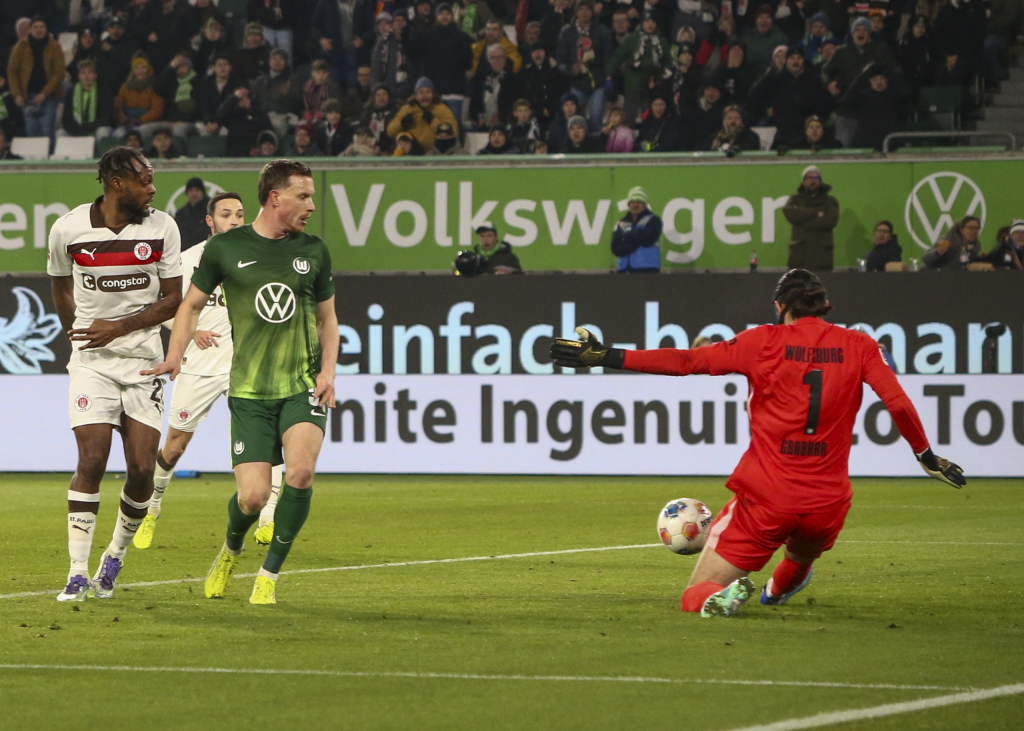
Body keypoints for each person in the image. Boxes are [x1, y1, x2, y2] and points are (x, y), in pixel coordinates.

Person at [549, 269, 966, 618]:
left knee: (694, 595)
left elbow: (687, 362)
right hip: (827, 502)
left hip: (768, 498)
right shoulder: (860, 345)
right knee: (801, 558)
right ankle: (774, 593)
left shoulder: (763, 341)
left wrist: (605, 356)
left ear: (780, 306)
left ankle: (718, 597)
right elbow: (898, 402)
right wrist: (925, 455)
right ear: (823, 305)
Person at [144, 159, 339, 606]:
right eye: (303, 196)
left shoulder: (314, 250)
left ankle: (268, 576)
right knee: (251, 498)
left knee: (301, 473)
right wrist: (175, 354)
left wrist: (328, 370)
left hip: (301, 385)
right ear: (275, 197)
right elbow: (190, 306)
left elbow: (328, 319)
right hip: (250, 392)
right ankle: (231, 549)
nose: (311, 205)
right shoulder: (225, 249)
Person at [47, 147, 184, 602]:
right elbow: (60, 285)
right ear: (117, 183)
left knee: (142, 469)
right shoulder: (68, 228)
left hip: (144, 362)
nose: (153, 188)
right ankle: (76, 572)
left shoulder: (162, 227)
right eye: (145, 181)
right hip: (93, 363)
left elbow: (173, 299)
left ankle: (115, 554)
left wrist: (118, 328)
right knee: (92, 459)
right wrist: (78, 334)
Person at [135, 193, 286, 550]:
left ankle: (268, 516)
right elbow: (166, 309)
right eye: (226, 214)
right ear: (210, 221)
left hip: (244, 367)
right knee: (174, 446)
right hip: (198, 367)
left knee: (268, 438)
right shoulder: (190, 260)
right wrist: (192, 331)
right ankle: (151, 507)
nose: (234, 220)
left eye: (240, 214)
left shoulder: (259, 257)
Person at [823, 17, 898, 148]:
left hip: (874, 110)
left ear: (869, 33)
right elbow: (825, 72)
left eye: (864, 30)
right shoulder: (841, 52)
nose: (861, 33)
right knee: (844, 149)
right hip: (847, 111)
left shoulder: (881, 50)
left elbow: (895, 72)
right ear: (852, 33)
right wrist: (829, 84)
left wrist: (885, 83)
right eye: (857, 30)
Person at [7, 16, 66, 151]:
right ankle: (34, 156)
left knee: (47, 127)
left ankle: (50, 155)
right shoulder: (20, 46)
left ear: (46, 29)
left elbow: (59, 73)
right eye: (35, 27)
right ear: (30, 30)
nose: (39, 30)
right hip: (28, 95)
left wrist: (45, 93)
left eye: (41, 27)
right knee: (31, 129)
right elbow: (12, 71)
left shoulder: (54, 46)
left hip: (50, 96)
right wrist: (17, 94)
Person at [556, 0, 611, 127]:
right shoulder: (567, 33)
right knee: (574, 118)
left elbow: (609, 57)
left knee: (596, 115)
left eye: (587, 9)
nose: (584, 12)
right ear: (576, 12)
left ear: (592, 12)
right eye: (581, 9)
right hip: (578, 84)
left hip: (598, 83)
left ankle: (596, 138)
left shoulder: (602, 31)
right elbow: (561, 62)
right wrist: (571, 69)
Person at [783, 166, 840, 271]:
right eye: (809, 177)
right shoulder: (795, 200)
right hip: (799, 259)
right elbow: (790, 214)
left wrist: (801, 222)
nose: (813, 181)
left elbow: (830, 221)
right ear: (803, 182)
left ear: (820, 181)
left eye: (816, 177)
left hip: (822, 260)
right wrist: (816, 213)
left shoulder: (830, 201)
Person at [387, 77, 459, 153]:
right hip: (412, 151)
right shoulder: (408, 109)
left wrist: (433, 121)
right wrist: (401, 124)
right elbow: (390, 131)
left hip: (435, 152)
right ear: (416, 95)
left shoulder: (441, 109)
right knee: (403, 138)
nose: (425, 95)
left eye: (428, 92)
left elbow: (454, 131)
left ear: (433, 94)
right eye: (421, 92)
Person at [61, 60, 115, 140]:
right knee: (60, 133)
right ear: (79, 76)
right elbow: (66, 117)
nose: (86, 76)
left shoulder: (104, 91)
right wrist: (77, 128)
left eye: (89, 72)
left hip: (96, 127)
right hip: (77, 128)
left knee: (102, 132)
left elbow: (106, 117)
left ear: (95, 75)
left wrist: (89, 126)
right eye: (83, 72)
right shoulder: (71, 92)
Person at [612, 186, 662, 272]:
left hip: (648, 269)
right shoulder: (621, 223)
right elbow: (616, 248)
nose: (635, 205)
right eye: (632, 202)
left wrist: (627, 237)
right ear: (628, 205)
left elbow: (648, 238)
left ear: (644, 204)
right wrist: (636, 241)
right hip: (624, 270)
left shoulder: (653, 220)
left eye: (639, 202)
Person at [115, 57, 166, 139]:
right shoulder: (125, 87)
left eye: (143, 67)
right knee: (118, 134)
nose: (140, 71)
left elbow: (157, 109)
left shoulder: (155, 86)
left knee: (142, 132)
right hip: (127, 120)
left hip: (147, 121)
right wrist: (124, 119)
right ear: (133, 70)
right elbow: (120, 106)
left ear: (148, 69)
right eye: (137, 68)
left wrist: (141, 120)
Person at [456, 224, 523, 275]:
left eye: (489, 236)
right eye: (482, 236)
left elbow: (519, 276)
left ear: (496, 237)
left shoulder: (509, 257)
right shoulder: (474, 258)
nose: (486, 239)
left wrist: (509, 272)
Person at [175, 178, 211, 251]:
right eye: (191, 191)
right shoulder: (181, 214)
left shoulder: (211, 212)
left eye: (197, 190)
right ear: (187, 193)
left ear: (203, 192)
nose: (194, 194)